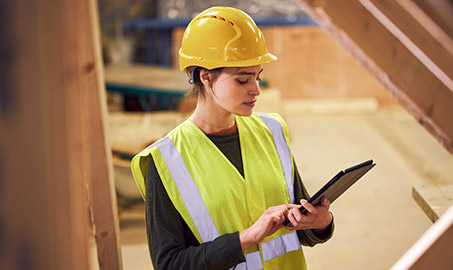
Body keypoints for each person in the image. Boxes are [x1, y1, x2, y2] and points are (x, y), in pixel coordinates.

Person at [131, 6, 334, 270]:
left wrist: (322, 223)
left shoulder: (272, 132)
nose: (255, 91)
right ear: (206, 77)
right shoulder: (166, 162)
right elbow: (170, 264)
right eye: (242, 80)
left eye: (258, 77)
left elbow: (300, 229)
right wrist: (247, 237)